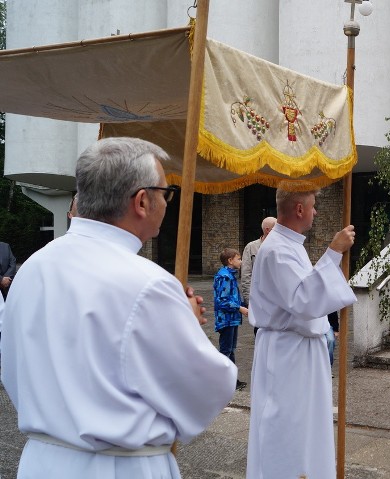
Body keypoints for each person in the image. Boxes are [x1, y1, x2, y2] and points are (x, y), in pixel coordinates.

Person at [0, 137, 237, 478]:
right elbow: (204, 389)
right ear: (142, 201)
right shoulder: (149, 283)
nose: (167, 204)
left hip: (41, 460)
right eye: (165, 193)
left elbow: (12, 367)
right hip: (118, 466)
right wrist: (185, 324)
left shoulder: (33, 267)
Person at [245, 186, 356, 479]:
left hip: (300, 351)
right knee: (288, 429)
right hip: (287, 354)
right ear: (299, 209)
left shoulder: (290, 244)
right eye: (314, 205)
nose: (316, 211)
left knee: (308, 428)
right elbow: (304, 299)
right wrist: (334, 251)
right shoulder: (278, 249)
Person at [214, 248, 249, 390]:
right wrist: (239, 308)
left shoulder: (230, 275)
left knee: (231, 349)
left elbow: (233, 297)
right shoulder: (224, 277)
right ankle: (221, 381)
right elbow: (222, 300)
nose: (241, 261)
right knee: (226, 350)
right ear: (230, 261)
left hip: (232, 319)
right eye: (238, 258)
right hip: (226, 319)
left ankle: (232, 380)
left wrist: (242, 305)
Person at [241, 216, 277, 306]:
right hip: (258, 299)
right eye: (277, 228)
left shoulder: (281, 247)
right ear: (268, 230)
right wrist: (249, 300)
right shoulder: (251, 247)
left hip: (277, 300)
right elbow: (246, 275)